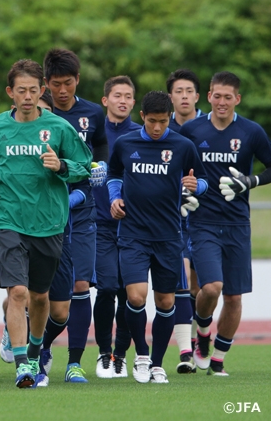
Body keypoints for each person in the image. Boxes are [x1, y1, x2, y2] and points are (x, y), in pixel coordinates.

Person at [0, 58, 91, 388]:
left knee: (41, 298)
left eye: (33, 90)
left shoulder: (60, 128)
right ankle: (23, 363)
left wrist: (61, 165)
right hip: (7, 218)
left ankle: (36, 352)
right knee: (18, 291)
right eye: (21, 90)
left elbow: (85, 167)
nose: (27, 96)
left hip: (49, 222)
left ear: (42, 91)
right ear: (11, 92)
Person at [107, 90, 207, 384]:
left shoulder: (182, 145)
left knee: (165, 302)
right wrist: (115, 198)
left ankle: (158, 364)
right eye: (152, 121)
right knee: (135, 297)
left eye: (163, 122)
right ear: (142, 117)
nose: (157, 128)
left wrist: (194, 185)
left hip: (168, 236)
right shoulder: (126, 144)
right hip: (134, 234)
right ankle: (141, 354)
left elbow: (202, 180)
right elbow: (114, 174)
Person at [180, 71, 271, 376]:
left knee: (233, 296)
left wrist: (251, 181)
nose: (221, 102)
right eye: (216, 96)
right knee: (212, 287)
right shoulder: (191, 130)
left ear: (237, 99)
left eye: (227, 97)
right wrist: (182, 191)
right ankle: (203, 331)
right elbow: (175, 166)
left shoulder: (251, 131)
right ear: (208, 96)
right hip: (202, 221)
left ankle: (218, 358)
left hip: (237, 225)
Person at [40, 48, 108, 383]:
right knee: (44, 294)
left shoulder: (92, 113)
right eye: (56, 84)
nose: (62, 90)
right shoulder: (34, 117)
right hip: (42, 213)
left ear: (77, 80)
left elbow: (101, 147)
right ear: (46, 84)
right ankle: (39, 346)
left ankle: (74, 363)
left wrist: (102, 167)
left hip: (81, 211)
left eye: (68, 83)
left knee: (82, 284)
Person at [91, 76, 141, 379]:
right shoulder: (94, 133)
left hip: (133, 227)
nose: (123, 100)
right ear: (105, 100)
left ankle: (120, 354)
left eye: (128, 96)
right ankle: (102, 353)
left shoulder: (141, 134)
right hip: (98, 224)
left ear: (134, 102)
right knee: (107, 287)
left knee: (127, 293)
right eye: (117, 95)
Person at [166, 68, 203, 374]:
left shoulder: (210, 127)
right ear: (170, 97)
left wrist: (199, 190)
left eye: (189, 91)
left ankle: (201, 332)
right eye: (178, 91)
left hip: (208, 219)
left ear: (197, 96)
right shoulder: (161, 130)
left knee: (204, 288)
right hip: (172, 220)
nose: (184, 96)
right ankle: (186, 351)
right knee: (183, 277)